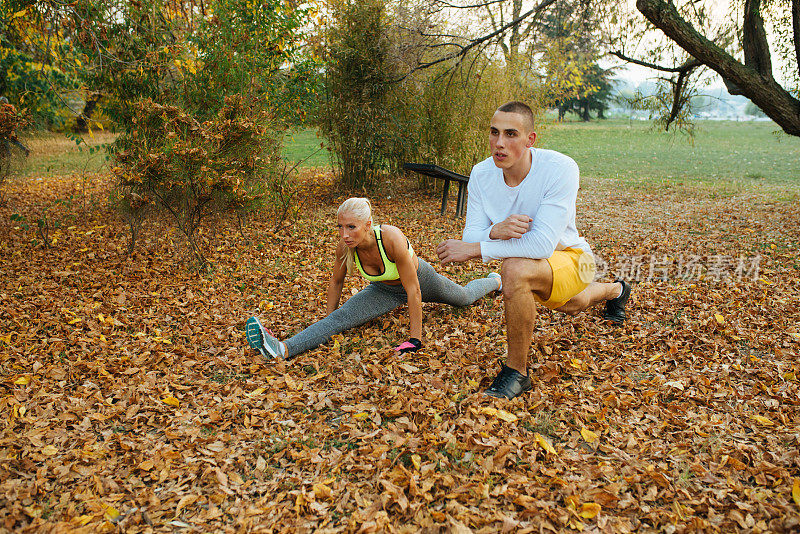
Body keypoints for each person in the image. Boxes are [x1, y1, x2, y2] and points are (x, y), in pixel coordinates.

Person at [436, 101, 631, 400]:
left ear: (530, 140)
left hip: (574, 259)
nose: (499, 143)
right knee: (572, 303)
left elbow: (540, 244)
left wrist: (477, 248)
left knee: (516, 269)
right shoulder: (481, 174)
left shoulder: (560, 168)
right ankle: (618, 290)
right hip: (543, 264)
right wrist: (494, 230)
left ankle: (517, 371)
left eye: (511, 134)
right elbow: (471, 232)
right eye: (494, 132)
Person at [246, 197, 502, 360]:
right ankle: (281, 349)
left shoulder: (392, 239)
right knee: (339, 319)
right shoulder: (345, 247)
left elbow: (413, 291)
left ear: (368, 224)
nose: (345, 234)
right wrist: (327, 321)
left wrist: (415, 339)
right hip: (383, 291)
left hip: (421, 280)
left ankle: (495, 281)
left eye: (351, 227)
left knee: (464, 298)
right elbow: (336, 282)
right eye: (340, 227)